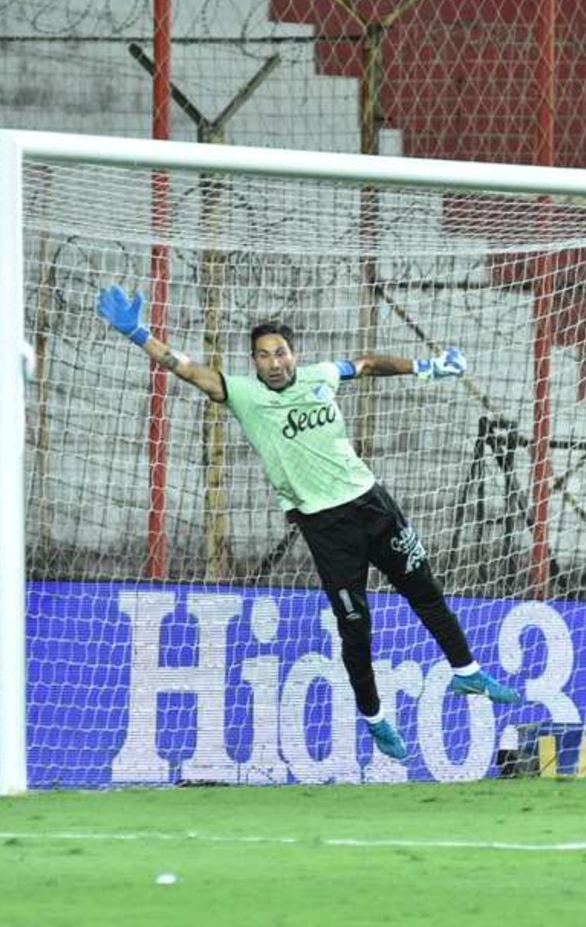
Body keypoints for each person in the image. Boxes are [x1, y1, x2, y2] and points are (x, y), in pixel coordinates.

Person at [96, 285, 519, 761]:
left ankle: (466, 671)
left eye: (280, 353)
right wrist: (138, 333)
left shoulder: (321, 376)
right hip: (326, 527)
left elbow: (366, 365)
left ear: (293, 355)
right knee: (355, 628)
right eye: (263, 356)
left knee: (424, 589)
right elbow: (188, 369)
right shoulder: (244, 394)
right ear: (253, 364)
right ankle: (375, 719)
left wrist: (427, 367)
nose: (274, 363)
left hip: (373, 504)